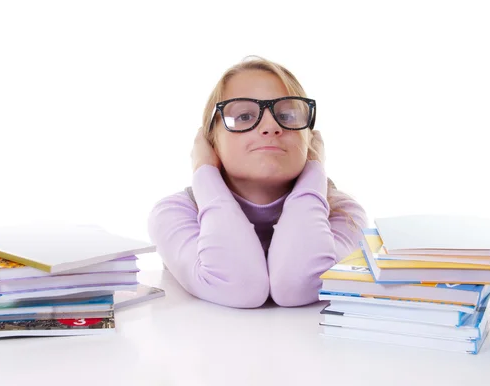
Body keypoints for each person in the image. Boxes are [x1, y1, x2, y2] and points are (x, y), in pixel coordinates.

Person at [147, 56, 368, 308]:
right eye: (243, 116)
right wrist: (204, 172)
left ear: (310, 137)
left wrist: (314, 170)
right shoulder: (173, 214)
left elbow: (300, 286)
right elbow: (239, 289)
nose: (271, 126)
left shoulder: (345, 214)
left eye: (287, 114)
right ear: (211, 141)